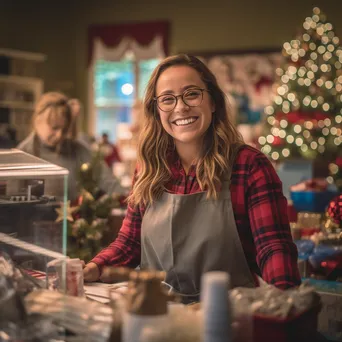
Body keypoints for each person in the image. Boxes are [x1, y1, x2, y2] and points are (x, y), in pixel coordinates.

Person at [83, 55, 301, 302]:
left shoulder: (249, 166)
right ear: (156, 110)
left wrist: (284, 304)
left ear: (213, 102)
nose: (180, 107)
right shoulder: (148, 168)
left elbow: (274, 249)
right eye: (167, 99)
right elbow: (131, 242)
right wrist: (96, 267)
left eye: (192, 94)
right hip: (157, 315)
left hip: (229, 319)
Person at [17, 91, 124, 201]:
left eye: (64, 130)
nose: (59, 135)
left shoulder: (78, 149)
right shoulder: (22, 154)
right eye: (54, 128)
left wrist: (129, 200)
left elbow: (108, 182)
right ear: (37, 121)